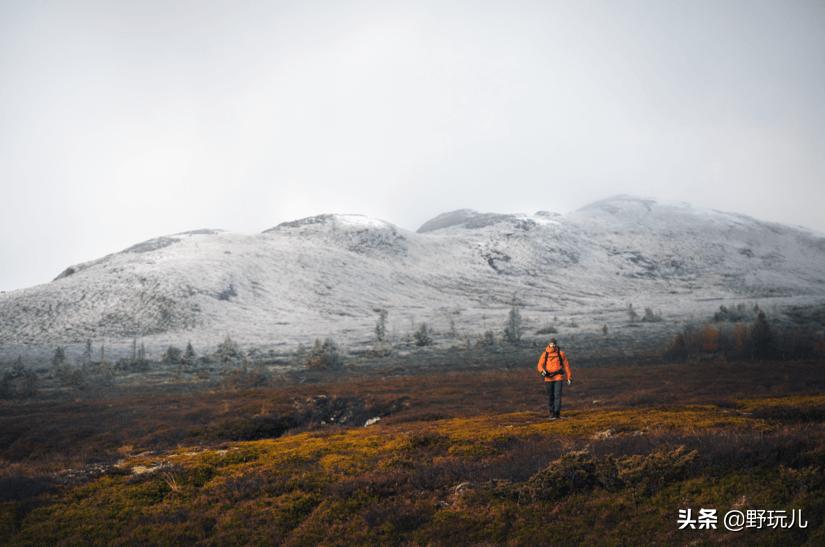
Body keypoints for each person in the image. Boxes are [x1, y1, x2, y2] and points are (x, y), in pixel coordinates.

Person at [536, 337, 572, 420]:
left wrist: (569, 377)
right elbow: (539, 365)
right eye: (551, 343)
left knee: (557, 396)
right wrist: (542, 371)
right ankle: (551, 414)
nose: (552, 345)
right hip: (548, 378)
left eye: (554, 343)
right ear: (549, 344)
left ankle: (557, 414)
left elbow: (566, 366)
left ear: (556, 344)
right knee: (550, 396)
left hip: (558, 377)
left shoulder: (561, 354)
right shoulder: (545, 354)